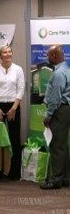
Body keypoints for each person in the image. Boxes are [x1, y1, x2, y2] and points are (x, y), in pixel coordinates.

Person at [0, 44, 24, 180]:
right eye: (5, 52)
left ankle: (15, 172)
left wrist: (14, 108)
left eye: (10, 52)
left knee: (14, 139)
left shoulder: (18, 69)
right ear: (0, 55)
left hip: (13, 105)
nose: (8, 54)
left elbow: (20, 90)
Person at [40, 45, 70, 189]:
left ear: (53, 56)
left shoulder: (58, 74)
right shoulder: (67, 70)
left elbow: (56, 98)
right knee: (63, 146)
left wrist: (48, 115)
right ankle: (65, 177)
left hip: (59, 111)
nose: (47, 58)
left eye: (48, 55)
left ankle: (56, 179)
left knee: (57, 146)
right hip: (66, 110)